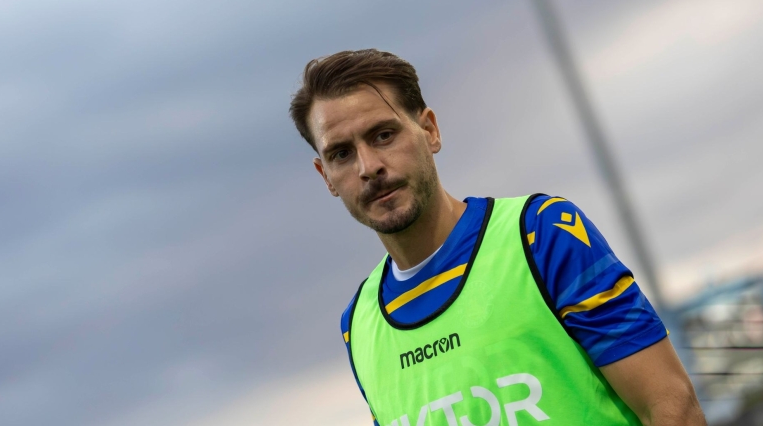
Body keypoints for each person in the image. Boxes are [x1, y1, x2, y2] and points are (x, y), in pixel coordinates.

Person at [289, 49, 705, 426]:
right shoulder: (359, 326)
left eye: (383, 135)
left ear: (429, 130)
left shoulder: (541, 233)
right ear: (326, 176)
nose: (368, 166)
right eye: (341, 153)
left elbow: (671, 406)